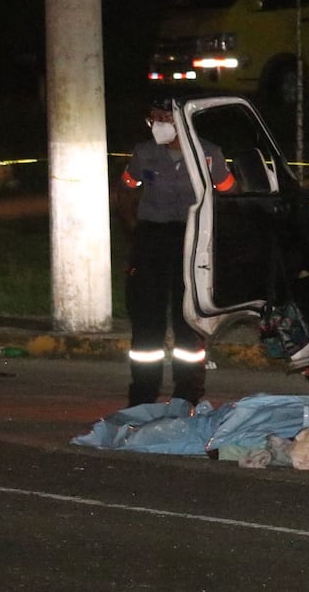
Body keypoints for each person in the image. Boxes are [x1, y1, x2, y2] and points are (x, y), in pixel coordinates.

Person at [116, 98, 236, 408]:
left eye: (164, 118)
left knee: (189, 322)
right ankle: (143, 395)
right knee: (146, 322)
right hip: (153, 239)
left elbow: (229, 195)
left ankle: (188, 394)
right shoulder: (145, 153)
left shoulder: (209, 154)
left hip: (193, 242)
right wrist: (134, 230)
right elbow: (127, 188)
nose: (158, 124)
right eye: (153, 118)